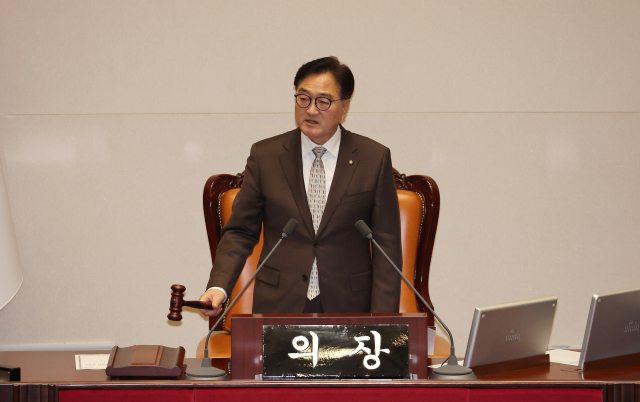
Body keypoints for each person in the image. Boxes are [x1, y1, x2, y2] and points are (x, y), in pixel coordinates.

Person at [199, 56, 402, 316]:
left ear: (345, 107)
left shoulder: (373, 158)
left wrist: (383, 320)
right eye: (303, 98)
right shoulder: (266, 156)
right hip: (279, 303)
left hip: (349, 306)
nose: (311, 110)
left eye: (323, 101)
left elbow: (387, 244)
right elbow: (240, 231)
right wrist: (218, 287)